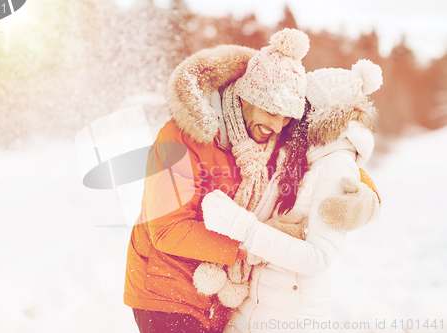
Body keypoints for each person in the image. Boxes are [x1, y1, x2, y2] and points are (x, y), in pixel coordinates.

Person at [124, 28, 379, 333]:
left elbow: (323, 159)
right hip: (167, 289)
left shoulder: (269, 129)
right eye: (271, 112)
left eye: (286, 118)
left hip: (222, 299)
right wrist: (247, 245)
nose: (276, 125)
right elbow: (167, 229)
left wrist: (367, 194)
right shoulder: (181, 136)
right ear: (248, 96)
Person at [201, 59, 383, 332]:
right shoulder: (297, 156)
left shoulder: (335, 164)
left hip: (290, 319)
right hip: (254, 309)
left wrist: (245, 229)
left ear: (317, 112)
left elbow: (317, 258)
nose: (287, 116)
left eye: (299, 106)